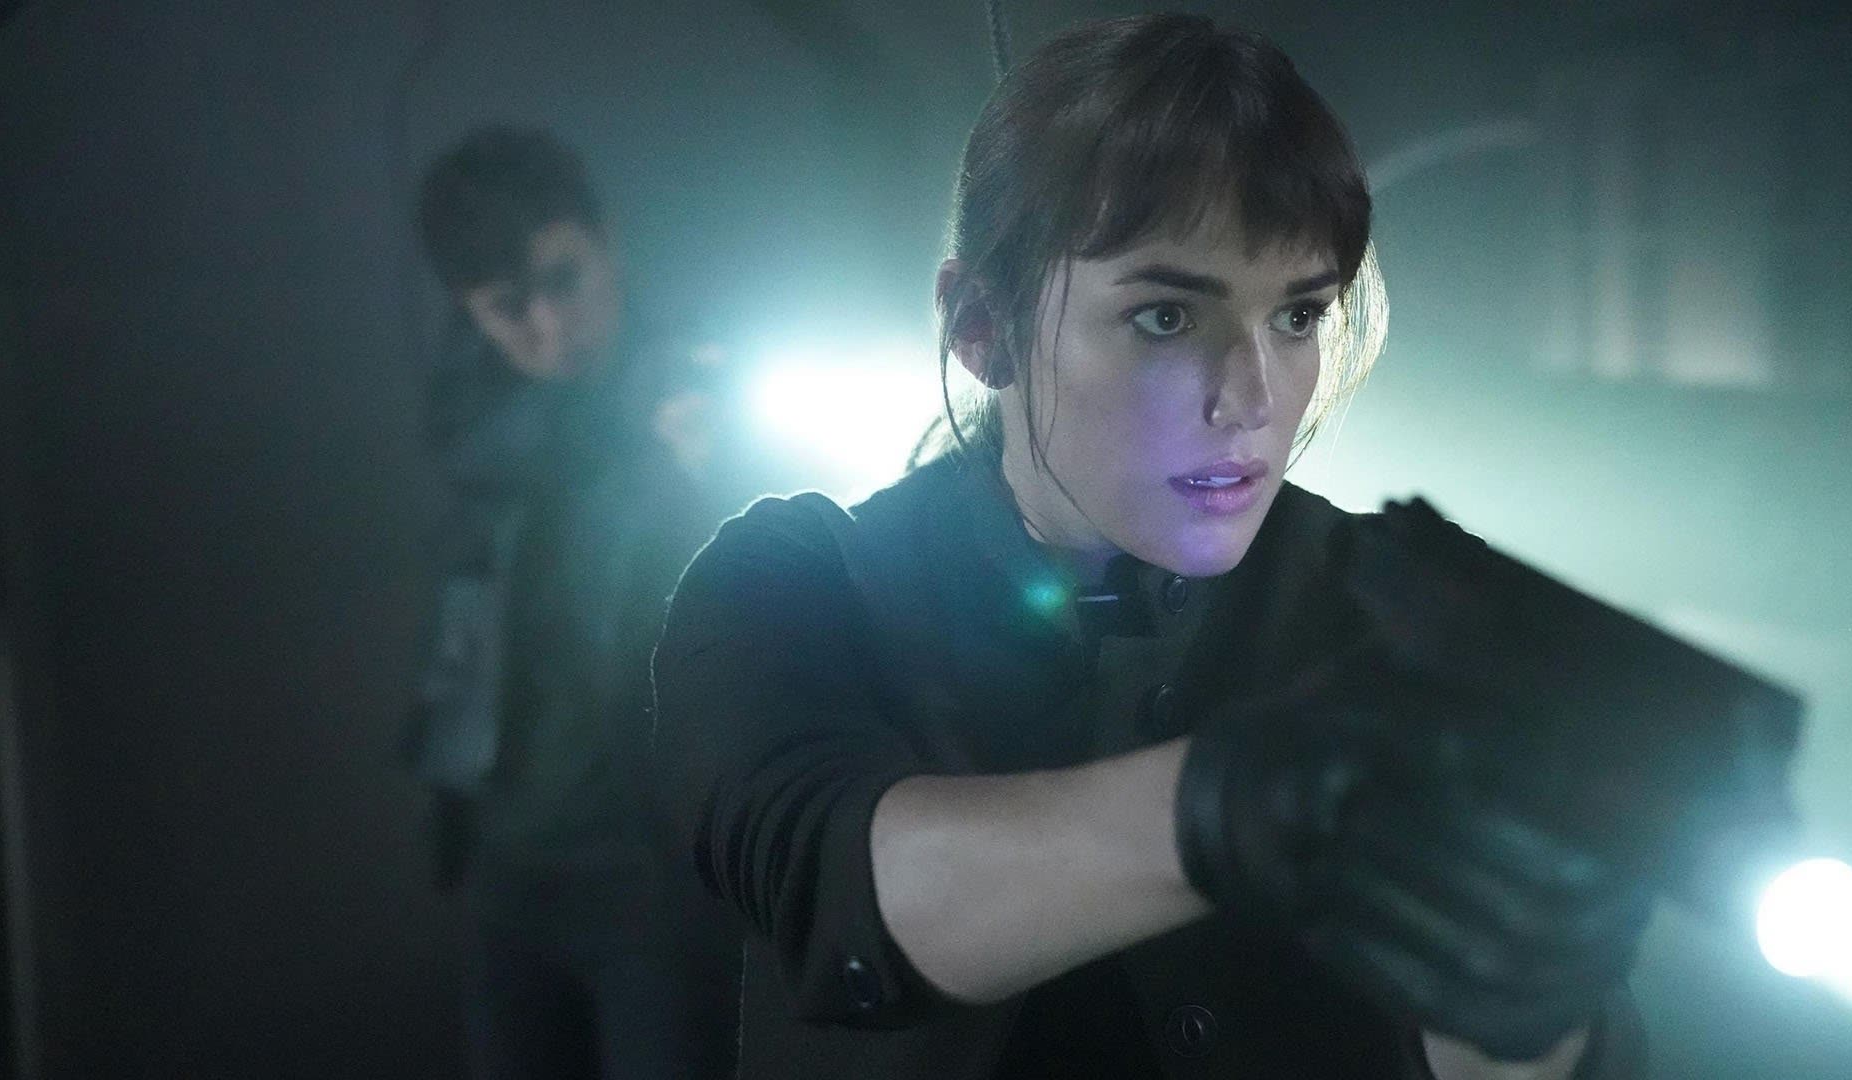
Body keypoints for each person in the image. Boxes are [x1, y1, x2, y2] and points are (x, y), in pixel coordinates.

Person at [651, 16, 1653, 1080]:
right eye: (1168, 317)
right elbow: (843, 895)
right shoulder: (795, 585)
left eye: (1298, 316)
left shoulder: (1405, 607)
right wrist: (1244, 802)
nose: (1250, 398)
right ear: (982, 325)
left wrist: (1519, 981)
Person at [405, 125, 737, 1080]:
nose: (550, 328)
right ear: (470, 310)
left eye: (564, 281)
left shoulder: (691, 389)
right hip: (505, 858)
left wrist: (717, 470)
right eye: (510, 308)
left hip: (652, 865)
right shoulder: (476, 429)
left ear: (607, 243)